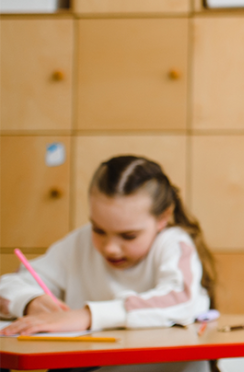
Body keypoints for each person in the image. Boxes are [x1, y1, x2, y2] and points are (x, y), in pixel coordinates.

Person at [0, 156, 216, 372]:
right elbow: (9, 286)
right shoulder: (79, 243)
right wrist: (29, 301)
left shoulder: (173, 244)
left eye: (129, 235)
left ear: (163, 218)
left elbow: (181, 299)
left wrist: (87, 316)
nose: (110, 248)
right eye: (99, 230)